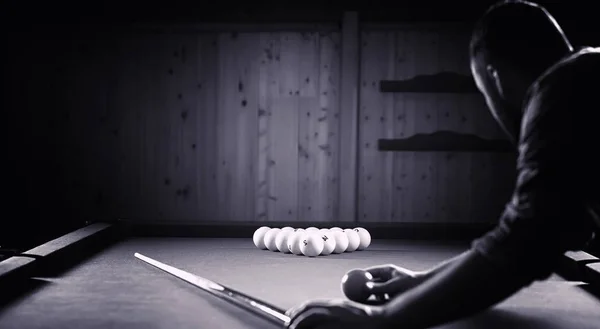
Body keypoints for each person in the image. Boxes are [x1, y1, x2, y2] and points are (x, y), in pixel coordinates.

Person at [285, 1, 600, 328]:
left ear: (495, 78)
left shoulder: (561, 90)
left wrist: (381, 319)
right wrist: (420, 281)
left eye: (483, 91)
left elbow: (525, 243)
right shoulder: (583, 80)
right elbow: (556, 231)